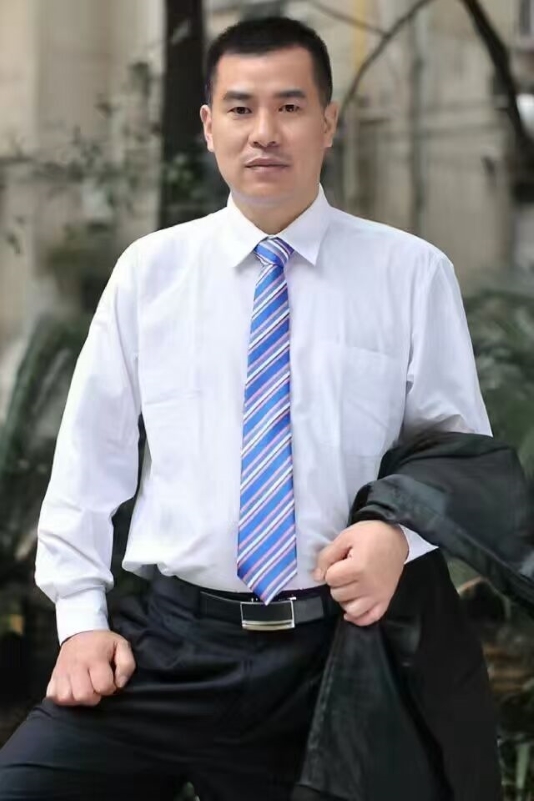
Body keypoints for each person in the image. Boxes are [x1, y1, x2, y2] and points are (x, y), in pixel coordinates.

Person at [0, 14, 491, 801]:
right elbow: (90, 458)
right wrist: (82, 620)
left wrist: (397, 535)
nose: (265, 131)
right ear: (209, 125)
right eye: (240, 107)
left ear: (328, 122)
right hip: (170, 647)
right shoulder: (151, 273)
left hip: (336, 657)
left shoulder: (409, 274)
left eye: (290, 106)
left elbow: (458, 453)